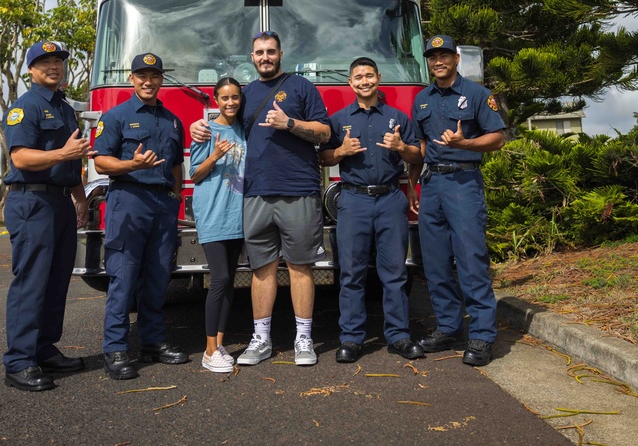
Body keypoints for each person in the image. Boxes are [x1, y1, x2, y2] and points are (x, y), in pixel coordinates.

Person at [191, 30, 330, 367]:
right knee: (261, 269)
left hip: (298, 190)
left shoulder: (301, 88)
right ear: (251, 58)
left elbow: (324, 133)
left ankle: (303, 339)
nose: (265, 57)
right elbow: (224, 121)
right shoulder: (247, 94)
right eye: (259, 52)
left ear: (280, 53)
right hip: (254, 194)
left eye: (270, 51)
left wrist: (290, 123)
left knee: (300, 267)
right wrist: (199, 126)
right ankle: (261, 339)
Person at [319, 57, 425, 363]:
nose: (364, 81)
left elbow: (418, 155)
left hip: (391, 199)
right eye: (358, 77)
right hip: (353, 201)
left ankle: (399, 336)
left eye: (369, 75)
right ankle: (351, 339)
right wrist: (341, 151)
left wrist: (401, 148)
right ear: (350, 83)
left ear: (378, 78)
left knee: (394, 273)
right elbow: (324, 158)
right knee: (351, 274)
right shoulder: (338, 120)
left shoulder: (397, 117)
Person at [2, 40, 93, 392]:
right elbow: (21, 158)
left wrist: (80, 199)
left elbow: (72, 161)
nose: (53, 66)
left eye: (58, 61)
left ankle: (44, 347)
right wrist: (63, 153)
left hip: (61, 202)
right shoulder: (25, 107)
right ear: (30, 69)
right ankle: (19, 361)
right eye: (44, 61)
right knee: (31, 282)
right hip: (32, 203)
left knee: (56, 282)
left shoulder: (65, 109)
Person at [410, 35, 505, 367]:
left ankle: (481, 335)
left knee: (470, 259)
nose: (438, 61)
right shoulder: (421, 100)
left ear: (456, 59)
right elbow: (420, 150)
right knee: (434, 263)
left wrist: (465, 144)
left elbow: (498, 138)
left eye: (444, 55)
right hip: (431, 184)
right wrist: (412, 186)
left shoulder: (478, 95)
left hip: (463, 182)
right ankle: (448, 326)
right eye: (433, 56)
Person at [93, 52, 189, 380]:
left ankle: (153, 341)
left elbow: (176, 164)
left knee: (159, 276)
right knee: (125, 276)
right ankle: (116, 349)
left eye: (154, 76)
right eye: (142, 76)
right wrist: (132, 165)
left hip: (163, 205)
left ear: (161, 79)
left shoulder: (172, 120)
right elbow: (101, 162)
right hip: (129, 200)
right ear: (132, 79)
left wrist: (175, 197)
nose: (148, 82)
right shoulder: (116, 116)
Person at [189, 77, 247, 373]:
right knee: (220, 279)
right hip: (212, 214)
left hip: (237, 216)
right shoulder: (205, 131)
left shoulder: (243, 129)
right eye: (224, 98)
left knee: (229, 284)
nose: (230, 103)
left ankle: (220, 344)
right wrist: (215, 155)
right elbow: (195, 175)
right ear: (215, 100)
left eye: (235, 97)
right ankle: (209, 351)